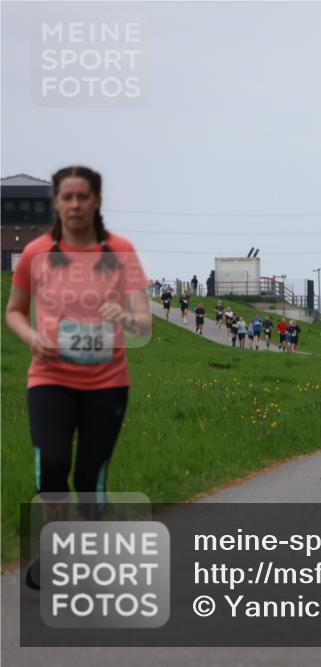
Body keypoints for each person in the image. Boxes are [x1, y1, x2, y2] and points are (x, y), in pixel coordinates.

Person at [4, 166, 151, 589]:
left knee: (89, 479)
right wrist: (32, 336)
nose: (74, 205)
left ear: (97, 201)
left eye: (82, 197)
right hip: (49, 378)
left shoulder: (121, 252)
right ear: (55, 202)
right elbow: (13, 311)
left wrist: (123, 314)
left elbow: (144, 323)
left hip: (107, 385)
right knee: (52, 465)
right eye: (66, 197)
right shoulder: (35, 253)